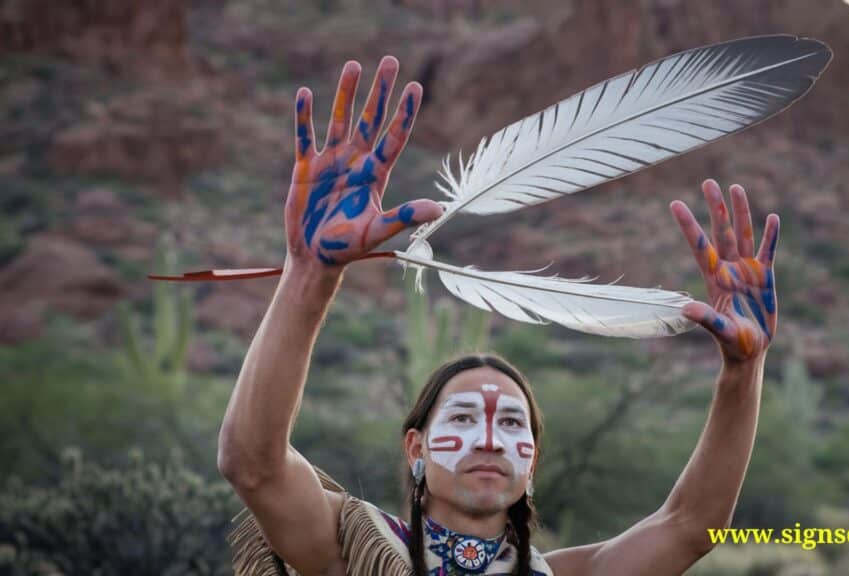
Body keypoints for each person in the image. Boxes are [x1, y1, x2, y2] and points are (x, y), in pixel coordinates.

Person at [217, 55, 779, 576]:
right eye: (462, 418)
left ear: (532, 463)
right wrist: (309, 274)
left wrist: (743, 371)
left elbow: (690, 526)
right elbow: (254, 465)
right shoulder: (354, 546)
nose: (490, 439)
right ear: (415, 447)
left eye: (512, 425)